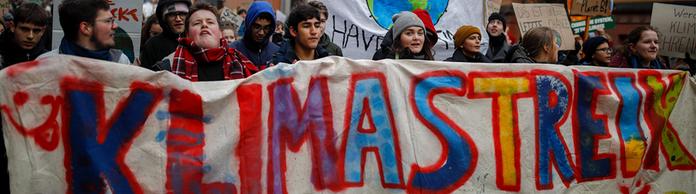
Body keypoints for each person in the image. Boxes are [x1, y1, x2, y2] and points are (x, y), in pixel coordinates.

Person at [159, 3, 258, 81]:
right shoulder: (167, 68)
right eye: (197, 23)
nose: (204, 25)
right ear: (187, 34)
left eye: (210, 22)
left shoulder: (242, 65)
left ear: (220, 33)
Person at [38, 0, 129, 64]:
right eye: (108, 21)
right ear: (85, 28)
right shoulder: (45, 64)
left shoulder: (121, 61)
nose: (115, 26)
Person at [140, 0, 192, 70]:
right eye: (172, 14)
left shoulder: (197, 41)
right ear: (164, 19)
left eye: (182, 13)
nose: (178, 19)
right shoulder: (153, 44)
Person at [229, 1, 278, 68]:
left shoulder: (277, 52)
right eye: (257, 27)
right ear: (249, 25)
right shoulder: (233, 50)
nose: (261, 32)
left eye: (266, 28)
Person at [0, 3, 50, 68]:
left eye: (36, 31)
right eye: (24, 29)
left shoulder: (48, 59)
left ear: (43, 31)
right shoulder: (2, 56)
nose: (30, 36)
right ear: (12, 27)